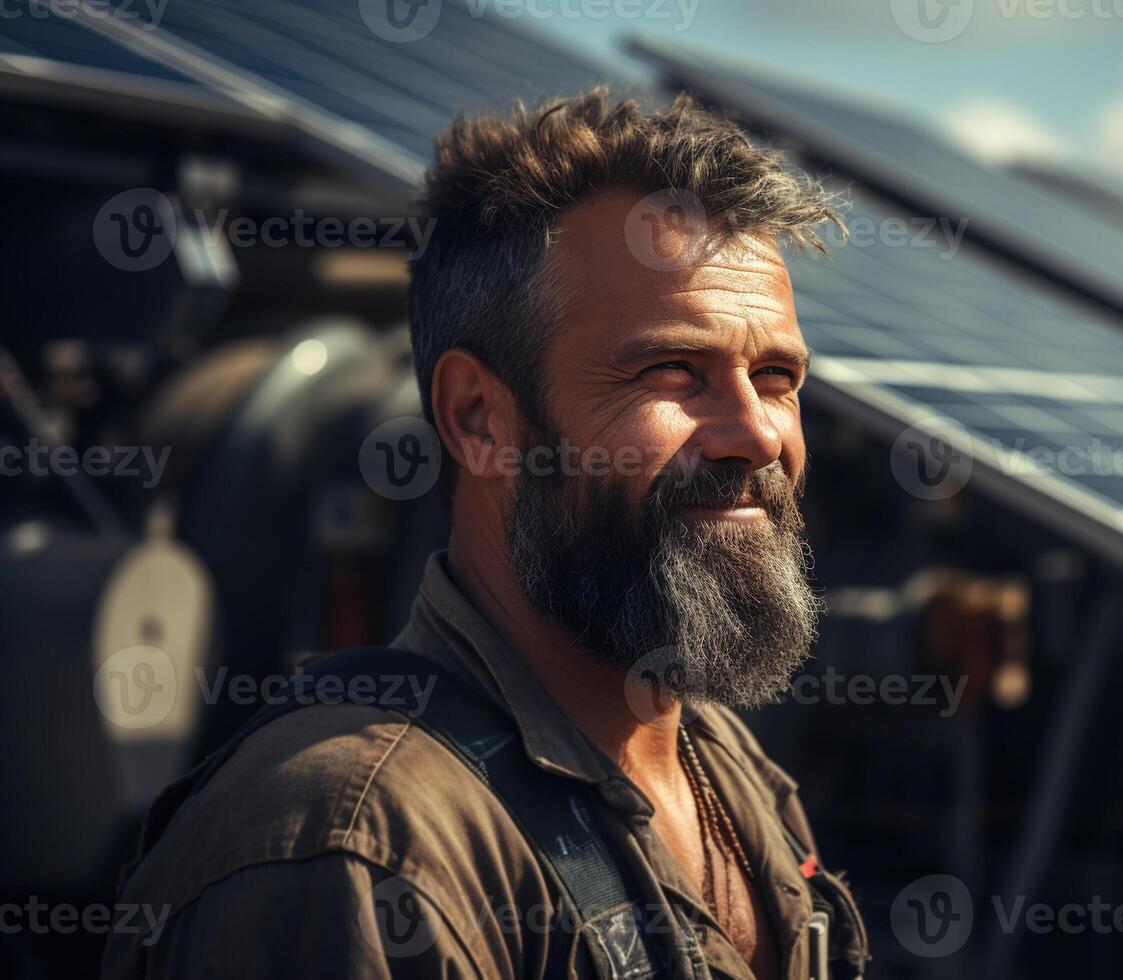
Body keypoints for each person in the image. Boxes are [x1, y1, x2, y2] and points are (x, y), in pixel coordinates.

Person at [104, 88, 868, 979]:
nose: (755, 432)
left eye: (776, 376)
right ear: (480, 419)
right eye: (672, 370)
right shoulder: (352, 853)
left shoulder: (725, 768)